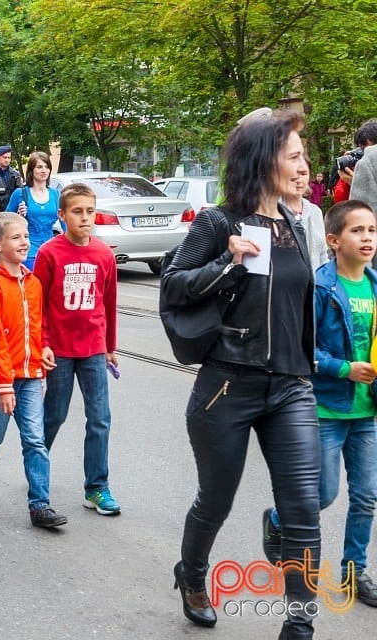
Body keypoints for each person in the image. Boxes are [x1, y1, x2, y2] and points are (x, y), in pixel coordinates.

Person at [160, 110, 320, 638]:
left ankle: (299, 629)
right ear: (264, 161)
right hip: (228, 385)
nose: (304, 164)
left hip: (291, 387)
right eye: (295, 155)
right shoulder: (219, 222)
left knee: (302, 511)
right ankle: (193, 574)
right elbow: (174, 286)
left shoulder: (296, 223)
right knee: (216, 500)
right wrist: (226, 264)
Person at [261, 199, 377, 608]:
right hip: (327, 409)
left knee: (366, 496)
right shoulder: (321, 287)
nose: (367, 238)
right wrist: (345, 370)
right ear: (333, 240)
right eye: (357, 231)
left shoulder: (376, 286)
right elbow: (303, 349)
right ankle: (278, 518)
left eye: (371, 231)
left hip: (368, 412)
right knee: (322, 495)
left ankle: (354, 571)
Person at [0, 213, 66, 529]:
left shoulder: (32, 282)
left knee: (35, 439)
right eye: (16, 237)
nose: (24, 242)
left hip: (31, 374)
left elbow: (37, 326)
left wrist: (44, 348)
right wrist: (4, 385)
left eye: (25, 236)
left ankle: (39, 505)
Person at [34, 183, 120, 516]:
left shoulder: (104, 254)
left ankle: (96, 487)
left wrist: (110, 346)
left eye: (90, 211)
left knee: (100, 418)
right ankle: (36, 471)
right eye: (77, 211)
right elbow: (37, 304)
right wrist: (42, 344)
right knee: (53, 415)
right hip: (59, 349)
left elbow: (109, 303)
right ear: (62, 215)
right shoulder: (49, 253)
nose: (85, 218)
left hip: (94, 349)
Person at [5, 151, 61, 270]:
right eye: (39, 167)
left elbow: (65, 224)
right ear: (31, 170)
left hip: (51, 252)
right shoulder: (20, 194)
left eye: (46, 167)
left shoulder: (56, 195)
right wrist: (19, 216)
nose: (43, 170)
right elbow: (5, 222)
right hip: (28, 252)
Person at [284, 157, 328, 271]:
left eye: (303, 173)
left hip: (315, 285)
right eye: (293, 174)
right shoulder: (271, 211)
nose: (298, 180)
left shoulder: (315, 212)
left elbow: (323, 255)